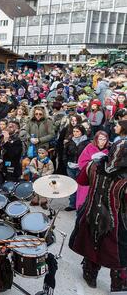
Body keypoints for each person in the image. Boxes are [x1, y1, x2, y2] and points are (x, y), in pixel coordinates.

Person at [69, 123, 127, 292]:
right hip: (116, 220)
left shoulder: (93, 166)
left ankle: (91, 274)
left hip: (91, 212)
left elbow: (81, 180)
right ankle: (118, 283)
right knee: (117, 251)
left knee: (93, 244)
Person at [76, 131, 109, 210]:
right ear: (96, 139)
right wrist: (92, 164)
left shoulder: (109, 149)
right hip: (88, 177)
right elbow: (81, 162)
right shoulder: (89, 147)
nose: (102, 141)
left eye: (104, 139)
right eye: (100, 139)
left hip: (100, 178)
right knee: (83, 199)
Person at [62, 125, 90, 211]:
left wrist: (82, 165)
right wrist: (67, 163)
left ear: (82, 132)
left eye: (77, 131)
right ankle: (72, 204)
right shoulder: (70, 142)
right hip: (70, 167)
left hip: (81, 168)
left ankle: (81, 204)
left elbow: (88, 156)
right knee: (72, 185)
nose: (75, 133)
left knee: (81, 187)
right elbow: (64, 154)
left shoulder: (87, 143)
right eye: (74, 131)